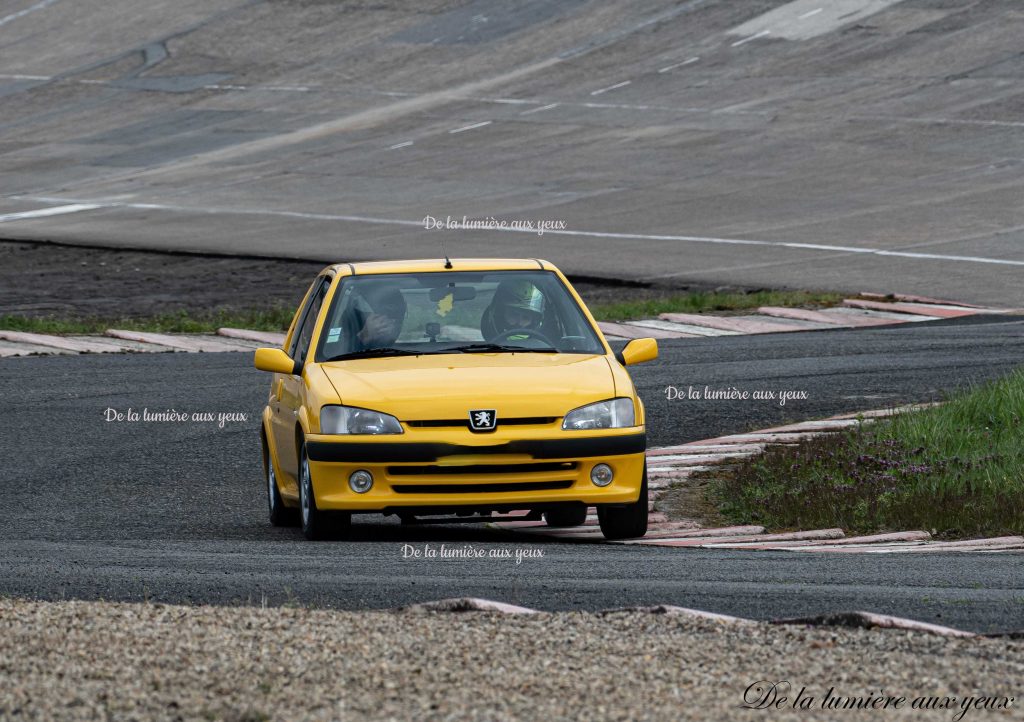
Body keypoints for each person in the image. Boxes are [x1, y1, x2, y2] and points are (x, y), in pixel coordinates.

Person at [481, 279, 547, 340]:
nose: (519, 323)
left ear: (534, 322)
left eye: (526, 318)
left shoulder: (549, 350)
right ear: (499, 314)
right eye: (514, 315)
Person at [349, 283, 407, 350]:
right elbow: (341, 348)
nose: (390, 322)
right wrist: (365, 334)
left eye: (395, 318)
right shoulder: (352, 316)